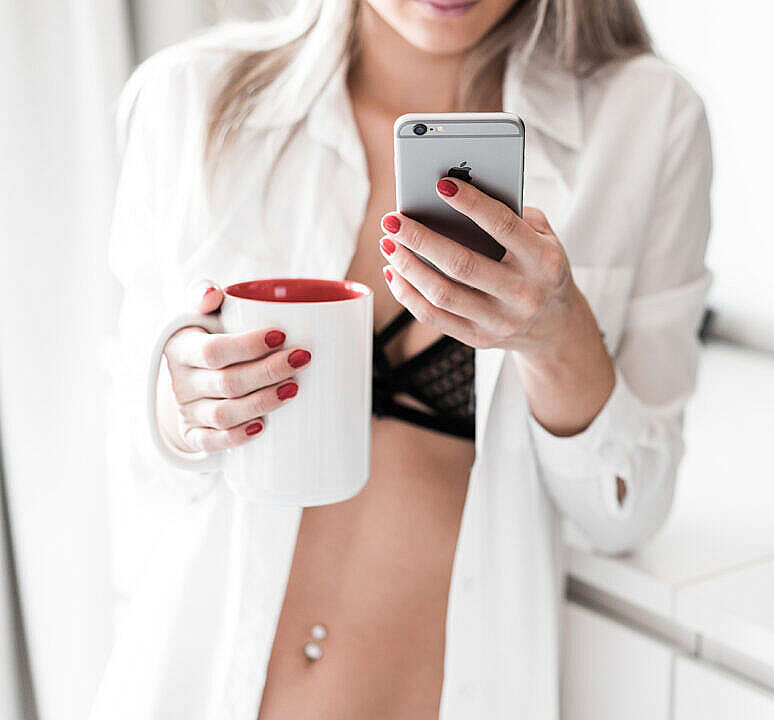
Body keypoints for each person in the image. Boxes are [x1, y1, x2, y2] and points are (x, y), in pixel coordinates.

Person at [92, 0, 711, 717]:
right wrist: (183, 408)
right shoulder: (189, 98)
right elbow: (134, 488)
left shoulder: (646, 122)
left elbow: (628, 513)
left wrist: (556, 335)